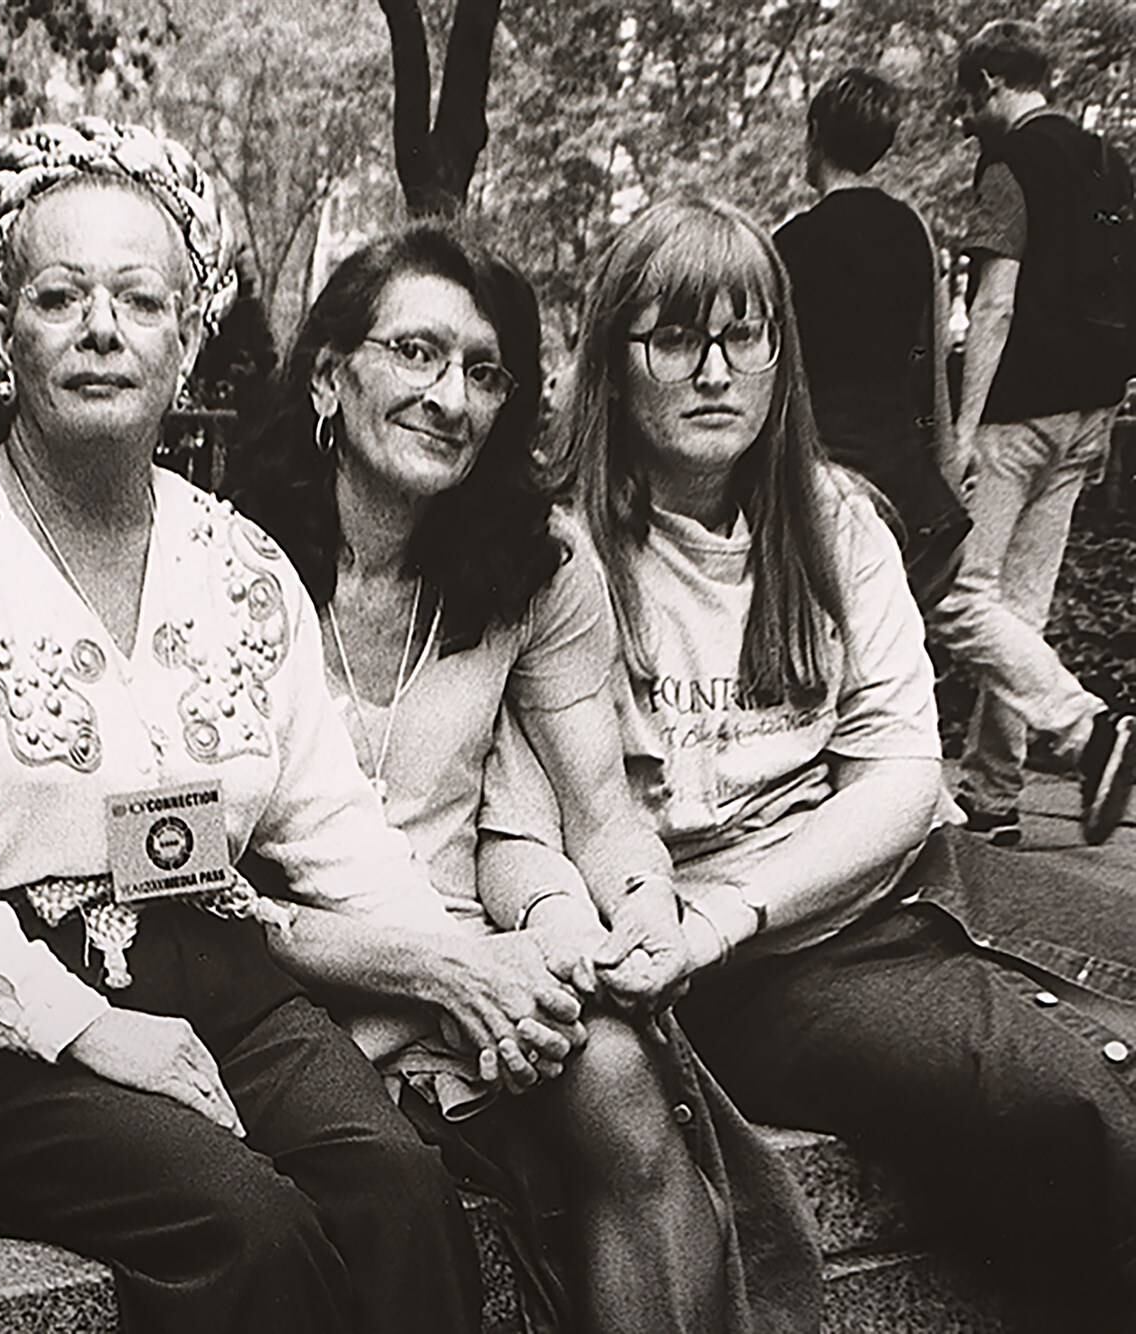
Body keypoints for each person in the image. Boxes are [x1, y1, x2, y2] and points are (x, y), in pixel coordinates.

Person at [0, 119, 589, 1334]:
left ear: (186, 335)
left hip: (220, 973)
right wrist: (88, 1027)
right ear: (1, 329)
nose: (100, 328)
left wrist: (459, 976)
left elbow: (331, 825)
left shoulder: (242, 564)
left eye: (139, 299)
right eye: (58, 296)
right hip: (5, 1018)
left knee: (397, 1187)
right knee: (245, 1226)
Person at [484, 194, 1136, 1327]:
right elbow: (524, 821)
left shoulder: (835, 521)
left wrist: (735, 905)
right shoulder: (550, 553)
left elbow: (903, 775)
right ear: (612, 363)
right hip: (733, 974)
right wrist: (679, 927)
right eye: (674, 338)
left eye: (744, 336)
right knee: (1071, 1098)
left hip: (870, 890)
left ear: (781, 355)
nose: (714, 372)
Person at [227, 225, 819, 1334]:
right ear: (326, 376)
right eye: (415, 352)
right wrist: (439, 970)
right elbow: (197, 894)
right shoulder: (219, 560)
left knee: (623, 1080)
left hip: (485, 965)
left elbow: (597, 810)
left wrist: (641, 914)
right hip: (283, 971)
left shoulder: (534, 563)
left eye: (485, 371)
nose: (450, 397)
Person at [931, 19, 1136, 846]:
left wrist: (962, 429)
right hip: (1091, 410)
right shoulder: (1108, 164)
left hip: (1017, 414)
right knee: (1019, 610)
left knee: (957, 601)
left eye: (965, 102)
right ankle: (993, 794)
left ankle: (1090, 731)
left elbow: (995, 303)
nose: (965, 120)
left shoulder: (1011, 161)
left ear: (989, 82)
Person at [774, 67, 967, 613]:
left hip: (820, 472)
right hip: (899, 469)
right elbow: (931, 358)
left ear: (814, 133)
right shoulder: (913, 230)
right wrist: (945, 465)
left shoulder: (790, 244)